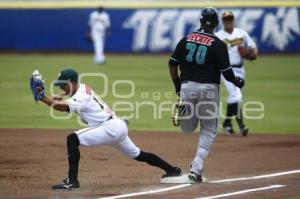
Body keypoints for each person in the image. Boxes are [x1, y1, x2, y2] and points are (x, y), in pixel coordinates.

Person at [30, 69, 181, 190]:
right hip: (117, 126)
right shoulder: (81, 87)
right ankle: (172, 170)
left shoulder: (81, 96)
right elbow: (62, 96)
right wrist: (46, 96)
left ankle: (72, 181)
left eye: (62, 85)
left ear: (72, 82)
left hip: (108, 128)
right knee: (138, 154)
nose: (61, 88)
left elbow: (63, 107)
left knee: (72, 139)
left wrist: (43, 97)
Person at [169, 7, 244, 183]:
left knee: (187, 128)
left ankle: (185, 112)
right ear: (216, 24)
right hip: (209, 89)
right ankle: (196, 168)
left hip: (187, 87)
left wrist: (177, 85)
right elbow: (227, 73)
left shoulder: (186, 39)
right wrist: (237, 82)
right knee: (209, 129)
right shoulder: (218, 44)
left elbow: (172, 63)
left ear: (201, 22)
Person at [215, 11, 258, 136]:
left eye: (230, 18)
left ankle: (228, 124)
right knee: (236, 96)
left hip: (240, 69)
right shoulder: (218, 36)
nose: (228, 21)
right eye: (225, 19)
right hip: (226, 70)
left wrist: (253, 54)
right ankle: (239, 125)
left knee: (235, 98)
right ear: (222, 21)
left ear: (233, 20)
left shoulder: (241, 33)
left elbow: (253, 46)